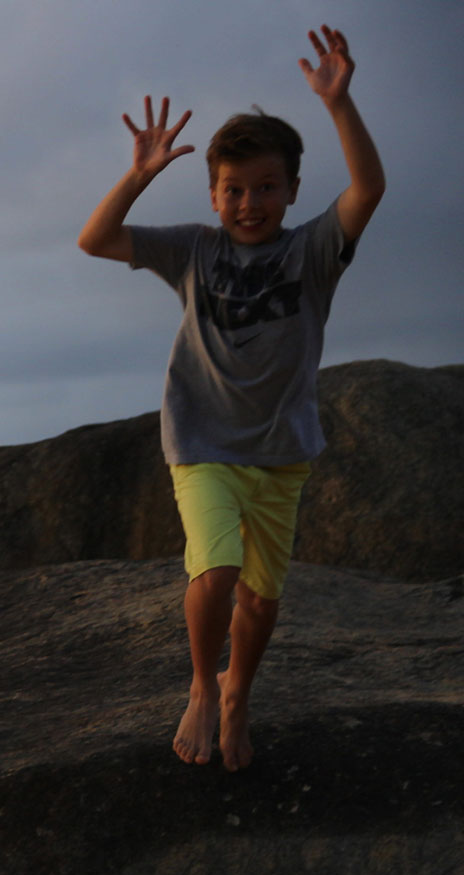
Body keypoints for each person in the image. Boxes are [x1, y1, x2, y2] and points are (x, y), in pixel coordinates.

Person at [74, 25, 385, 770]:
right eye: (234, 190)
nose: (250, 203)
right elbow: (94, 239)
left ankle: (239, 689)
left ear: (293, 191)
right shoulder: (193, 249)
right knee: (213, 573)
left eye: (266, 188)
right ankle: (200, 687)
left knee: (260, 600)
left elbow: (369, 188)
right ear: (213, 192)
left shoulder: (311, 251)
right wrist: (140, 174)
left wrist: (340, 105)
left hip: (281, 452)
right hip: (202, 442)